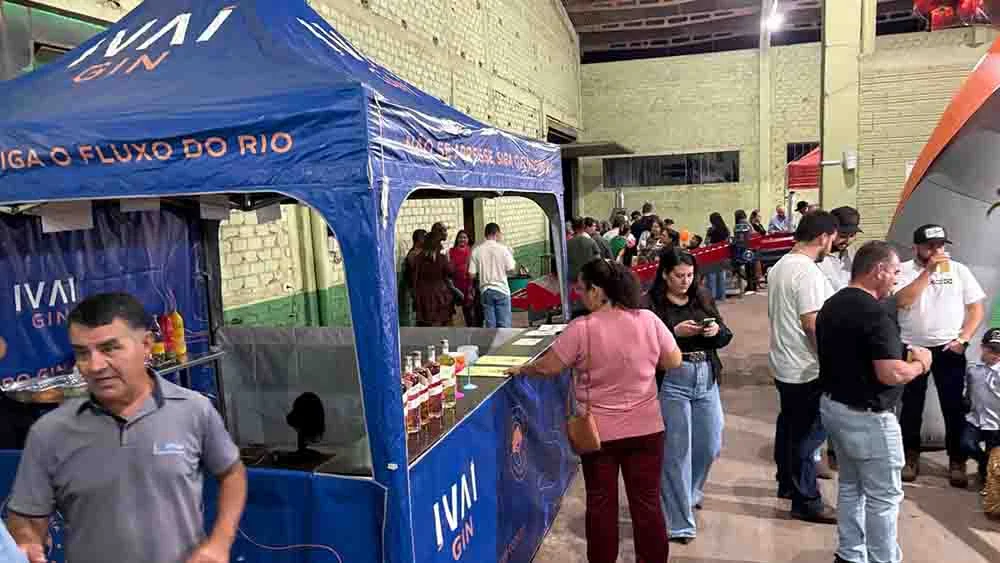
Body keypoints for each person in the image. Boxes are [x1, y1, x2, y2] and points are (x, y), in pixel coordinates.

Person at [5, 292, 247, 563]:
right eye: (83, 353)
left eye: (109, 348)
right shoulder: (50, 432)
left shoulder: (193, 409)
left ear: (146, 345)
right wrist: (26, 540)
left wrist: (220, 542)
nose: (95, 366)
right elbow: (26, 515)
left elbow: (232, 473)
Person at [506, 259, 682, 563]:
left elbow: (550, 367)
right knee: (648, 504)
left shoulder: (582, 329)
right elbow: (673, 360)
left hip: (599, 435)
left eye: (581, 289)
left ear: (597, 291)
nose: (578, 295)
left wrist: (522, 368)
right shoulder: (648, 320)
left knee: (601, 505)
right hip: (648, 429)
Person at [817, 241, 932, 563]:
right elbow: (890, 373)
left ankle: (851, 554)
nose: (896, 279)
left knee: (852, 486)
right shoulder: (876, 314)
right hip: (869, 418)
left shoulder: (832, 304)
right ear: (878, 270)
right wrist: (921, 364)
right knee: (884, 497)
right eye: (894, 272)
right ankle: (883, 559)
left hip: (835, 407)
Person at [648, 249, 732, 544]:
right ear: (664, 275)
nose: (685, 281)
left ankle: (690, 492)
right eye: (679, 276)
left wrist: (715, 332)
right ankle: (679, 522)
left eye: (689, 275)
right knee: (676, 453)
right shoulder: (652, 306)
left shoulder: (702, 298)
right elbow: (645, 345)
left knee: (710, 443)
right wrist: (674, 333)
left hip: (705, 376)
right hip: (673, 381)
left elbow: (726, 335)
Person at [894, 224, 987, 487]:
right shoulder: (902, 269)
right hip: (913, 346)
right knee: (911, 406)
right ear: (916, 247)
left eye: (941, 245)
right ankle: (910, 457)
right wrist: (929, 272)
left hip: (949, 347)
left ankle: (956, 460)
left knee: (953, 406)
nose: (937, 251)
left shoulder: (959, 271)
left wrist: (963, 339)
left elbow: (975, 309)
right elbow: (901, 302)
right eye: (930, 246)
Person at [767, 211, 838, 523]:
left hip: (784, 362)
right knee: (808, 437)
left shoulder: (780, 266)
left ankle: (786, 484)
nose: (831, 246)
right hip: (806, 366)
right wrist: (830, 360)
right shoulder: (808, 272)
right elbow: (812, 323)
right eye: (832, 240)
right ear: (823, 237)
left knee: (790, 428)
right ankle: (806, 500)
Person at [962, 328, 1000, 494]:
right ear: (982, 347)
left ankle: (987, 480)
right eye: (991, 349)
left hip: (996, 423)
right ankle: (983, 462)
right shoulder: (973, 369)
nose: (995, 354)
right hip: (975, 419)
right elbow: (968, 388)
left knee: (994, 456)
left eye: (999, 351)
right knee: (966, 444)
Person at [469, 223, 516, 328]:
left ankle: (492, 344)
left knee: (490, 326)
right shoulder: (504, 249)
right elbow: (512, 270)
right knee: (504, 325)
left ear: (485, 234)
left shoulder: (476, 251)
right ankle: (503, 344)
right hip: (502, 290)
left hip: (485, 291)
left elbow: (471, 275)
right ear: (497, 233)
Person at [413, 230, 456, 327]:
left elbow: (414, 279)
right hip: (440, 296)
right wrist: (449, 259)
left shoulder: (418, 258)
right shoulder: (442, 258)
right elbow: (451, 272)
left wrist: (416, 296)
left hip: (423, 296)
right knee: (440, 326)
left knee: (425, 326)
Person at [819, 206, 863, 294]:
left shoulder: (853, 255)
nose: (847, 241)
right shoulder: (817, 257)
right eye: (843, 235)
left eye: (852, 236)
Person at [449, 230, 479, 327]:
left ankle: (470, 330)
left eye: (464, 237)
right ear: (457, 239)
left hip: (468, 285)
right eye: (460, 237)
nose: (462, 239)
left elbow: (473, 270)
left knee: (468, 311)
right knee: (455, 312)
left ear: (468, 239)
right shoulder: (451, 251)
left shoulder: (471, 252)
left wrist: (471, 288)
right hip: (455, 285)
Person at [399, 229, 427, 327]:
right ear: (418, 239)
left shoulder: (421, 253)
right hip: (415, 290)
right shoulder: (413, 254)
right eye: (424, 237)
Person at [567, 217, 601, 290]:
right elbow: (598, 259)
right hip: (587, 277)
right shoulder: (591, 242)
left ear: (572, 227)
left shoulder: (567, 244)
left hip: (572, 278)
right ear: (583, 227)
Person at [704, 212, 730, 302]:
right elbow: (728, 241)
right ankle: (722, 296)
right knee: (721, 275)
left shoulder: (710, 230)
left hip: (712, 255)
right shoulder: (726, 229)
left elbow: (707, 242)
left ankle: (712, 297)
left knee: (712, 276)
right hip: (722, 254)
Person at [732, 209, 757, 294]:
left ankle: (750, 287)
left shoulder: (741, 224)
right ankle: (753, 286)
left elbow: (739, 237)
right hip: (751, 247)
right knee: (751, 267)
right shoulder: (747, 222)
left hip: (745, 248)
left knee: (748, 268)